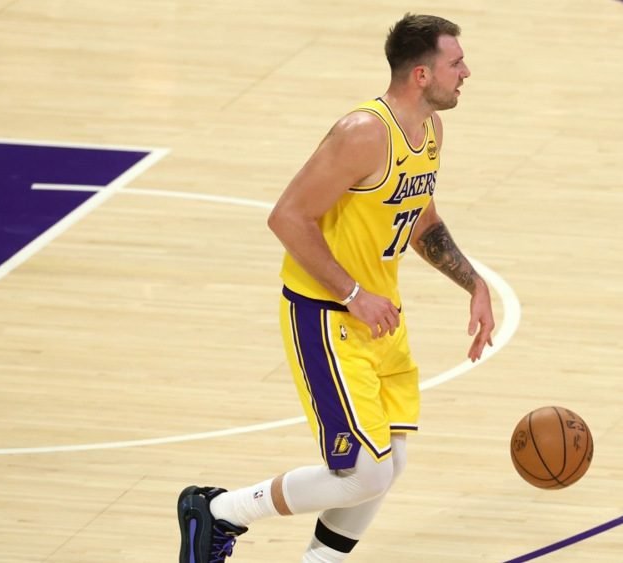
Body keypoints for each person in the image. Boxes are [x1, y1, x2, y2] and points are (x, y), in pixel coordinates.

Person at [177, 13, 495, 563]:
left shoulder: (430, 132)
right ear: (421, 74)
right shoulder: (363, 133)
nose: (466, 72)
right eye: (456, 62)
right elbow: (286, 217)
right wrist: (353, 294)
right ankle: (220, 510)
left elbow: (421, 221)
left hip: (380, 316)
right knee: (362, 472)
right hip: (328, 314)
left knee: (390, 464)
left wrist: (475, 284)